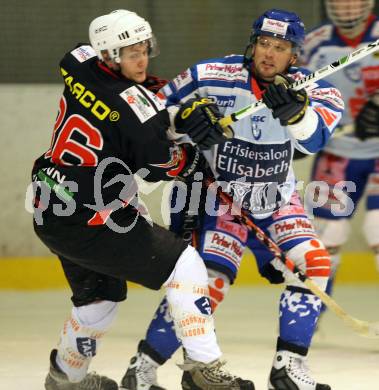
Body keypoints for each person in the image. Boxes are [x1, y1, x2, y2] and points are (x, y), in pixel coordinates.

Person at [31, 9, 255, 390]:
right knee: (186, 266)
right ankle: (205, 369)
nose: (141, 59)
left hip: (49, 203)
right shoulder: (139, 114)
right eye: (130, 52)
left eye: (143, 49)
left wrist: (177, 118)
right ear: (108, 55)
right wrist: (191, 151)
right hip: (91, 217)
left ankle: (66, 378)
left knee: (98, 301)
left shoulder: (78, 61)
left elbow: (128, 108)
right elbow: (156, 166)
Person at [122, 8, 345, 390]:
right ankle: (142, 367)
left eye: (280, 47)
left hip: (277, 199)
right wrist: (181, 118)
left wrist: (297, 113)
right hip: (220, 200)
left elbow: (314, 139)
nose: (268, 54)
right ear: (253, 43)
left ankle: (288, 366)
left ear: (295, 56)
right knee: (209, 283)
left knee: (314, 262)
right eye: (263, 43)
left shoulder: (314, 86)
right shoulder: (211, 76)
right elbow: (147, 109)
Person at [299, 0, 379, 311]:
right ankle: (309, 314)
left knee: (377, 225)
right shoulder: (313, 44)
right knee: (323, 236)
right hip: (337, 155)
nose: (346, 7)